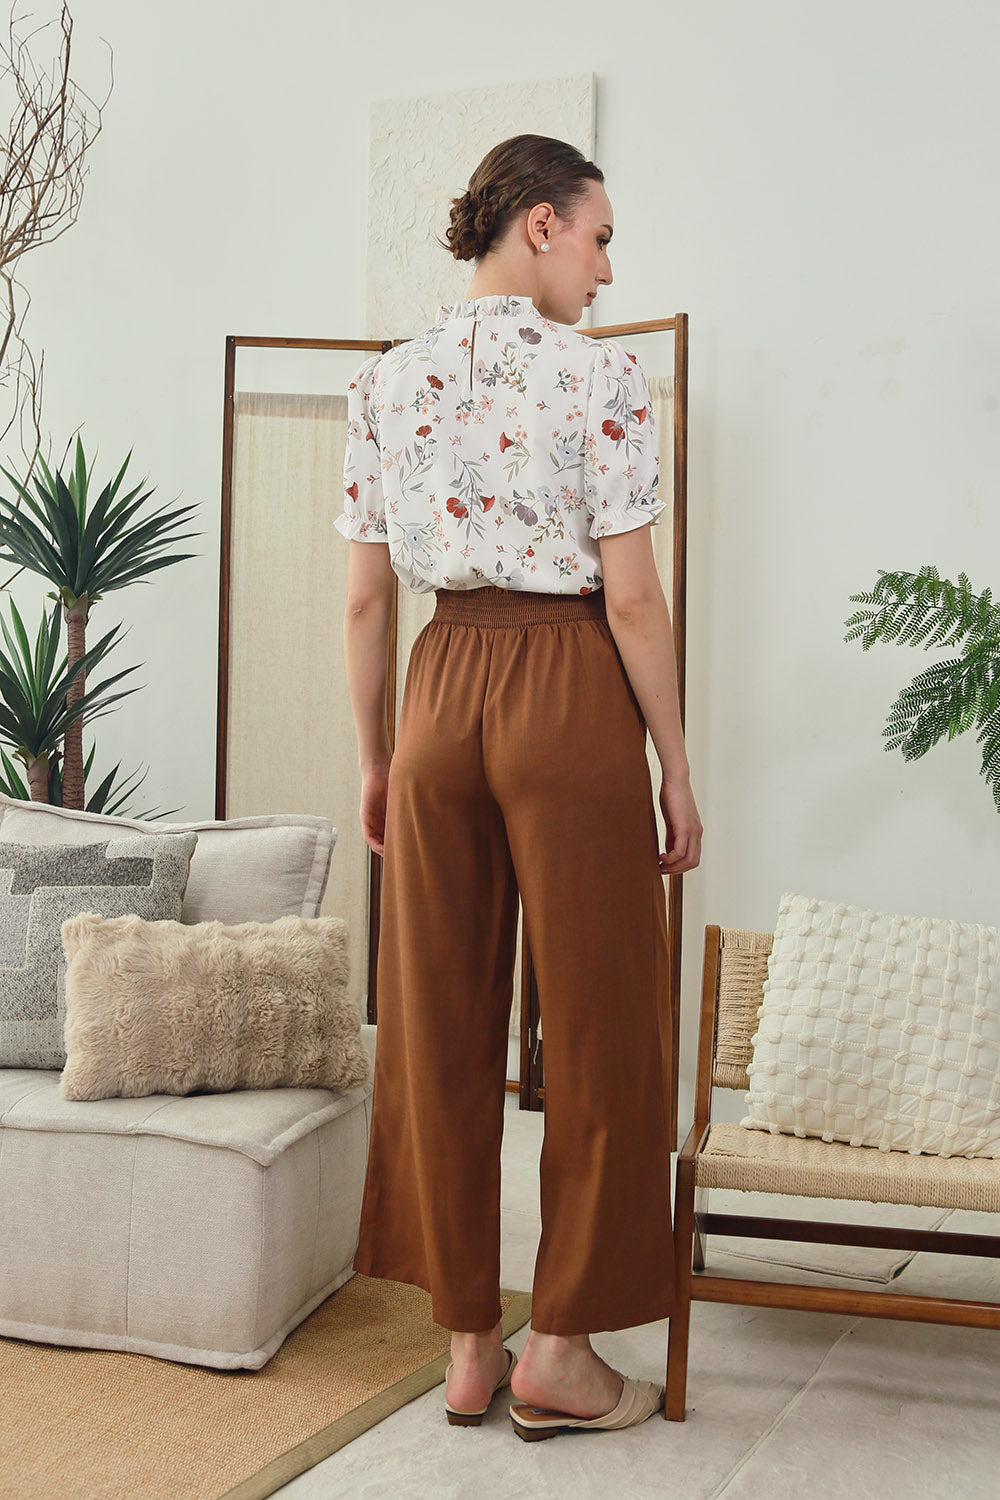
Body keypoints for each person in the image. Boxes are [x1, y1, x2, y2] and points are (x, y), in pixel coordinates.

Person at [334, 134, 703, 1440]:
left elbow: (366, 601)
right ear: (540, 224)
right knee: (601, 1021)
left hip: (440, 688)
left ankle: (466, 1347)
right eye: (599, 238)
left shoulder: (386, 381)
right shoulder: (601, 376)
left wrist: (378, 755)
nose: (606, 271)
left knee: (436, 1019)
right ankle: (562, 1351)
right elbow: (635, 599)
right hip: (566, 687)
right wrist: (675, 766)